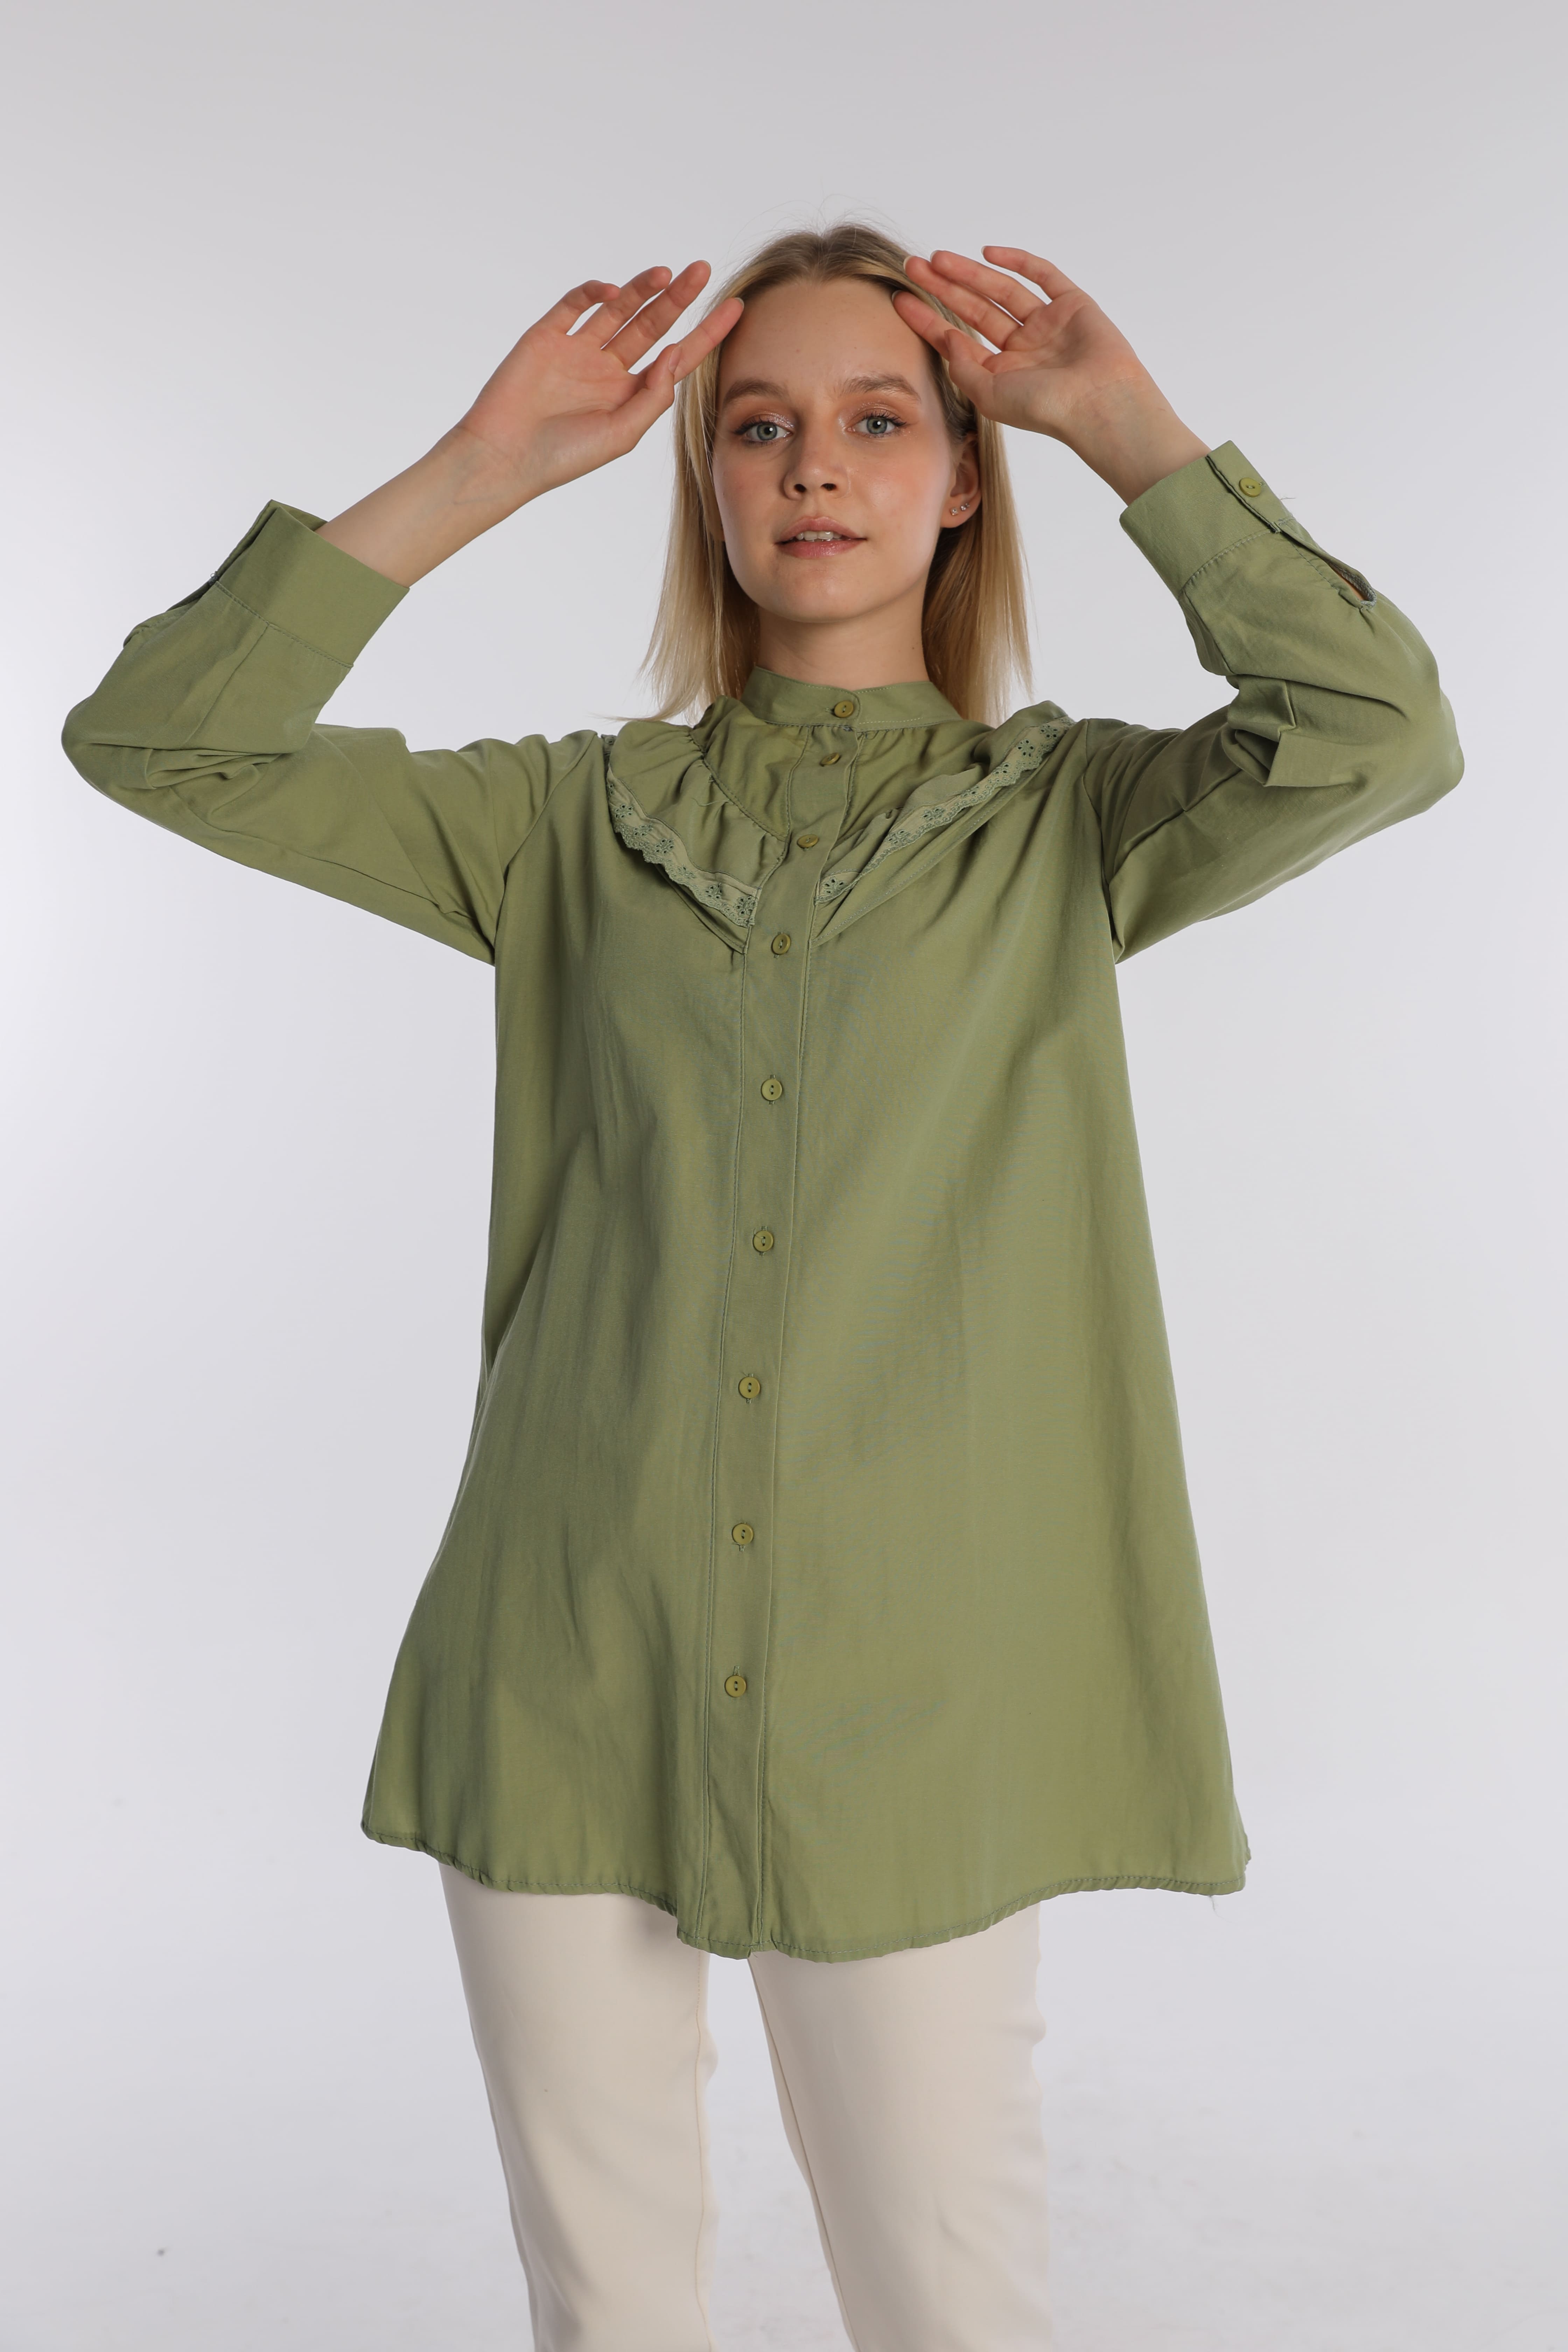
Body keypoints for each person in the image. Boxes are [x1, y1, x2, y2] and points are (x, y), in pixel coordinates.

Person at [62, 222, 1462, 2351]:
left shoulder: (1071, 822)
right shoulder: (565, 824)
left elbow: (1380, 731)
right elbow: (165, 742)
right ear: (704, 479)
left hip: (920, 1699)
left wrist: (1128, 432)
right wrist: (477, 469)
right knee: (607, 2313)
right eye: (759, 427)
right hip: (564, 1658)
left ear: (965, 476)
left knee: (947, 2300)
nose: (816, 467)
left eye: (882, 422)